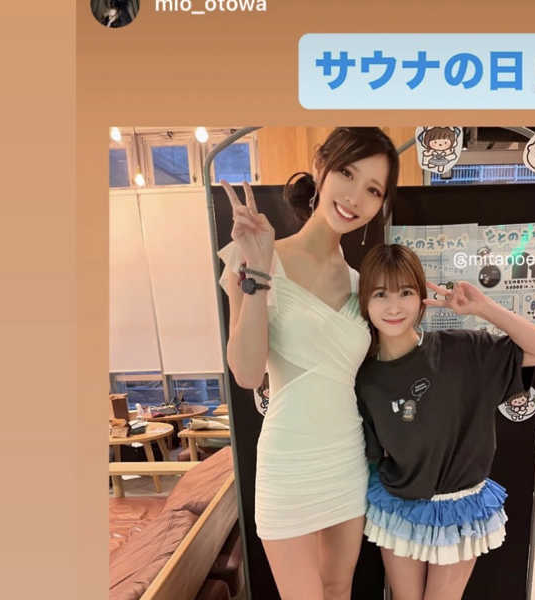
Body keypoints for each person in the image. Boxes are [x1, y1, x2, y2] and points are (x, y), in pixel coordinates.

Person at [217, 127, 399, 600]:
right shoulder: (255, 258)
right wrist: (259, 268)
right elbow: (247, 373)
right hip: (288, 461)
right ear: (321, 168)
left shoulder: (362, 285)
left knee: (339, 589)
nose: (355, 197)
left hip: (345, 456)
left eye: (373, 190)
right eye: (347, 174)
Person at [355, 244, 535, 600]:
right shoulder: (365, 378)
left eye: (405, 292)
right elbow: (371, 453)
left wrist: (484, 308)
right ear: (365, 302)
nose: (393, 307)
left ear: (421, 298)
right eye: (380, 294)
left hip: (460, 505)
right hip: (399, 503)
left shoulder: (464, 350)